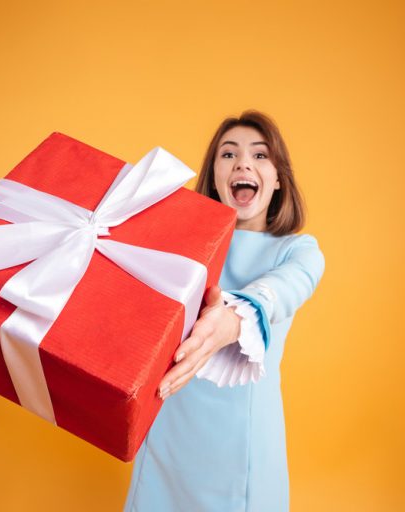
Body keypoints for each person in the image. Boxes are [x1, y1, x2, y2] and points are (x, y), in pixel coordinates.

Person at [124, 110, 325, 511]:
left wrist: (232, 319)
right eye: (228, 154)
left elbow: (284, 289)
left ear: (278, 179)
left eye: (260, 155)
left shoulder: (296, 251)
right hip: (167, 434)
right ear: (215, 176)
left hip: (242, 445)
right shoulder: (181, 246)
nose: (243, 163)